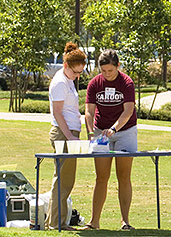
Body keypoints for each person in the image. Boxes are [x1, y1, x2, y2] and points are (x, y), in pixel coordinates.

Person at [84, 49, 137, 230]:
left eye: (110, 71)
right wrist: (91, 132)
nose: (107, 74)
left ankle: (125, 222)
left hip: (125, 131)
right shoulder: (94, 83)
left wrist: (114, 129)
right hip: (101, 133)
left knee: (124, 176)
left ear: (118, 66)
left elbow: (128, 110)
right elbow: (89, 111)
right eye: (103, 71)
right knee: (101, 177)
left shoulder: (127, 83)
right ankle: (94, 222)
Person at [46, 42, 87, 230]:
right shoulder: (60, 82)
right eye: (75, 72)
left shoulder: (68, 80)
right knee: (63, 179)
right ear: (65, 66)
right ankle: (57, 223)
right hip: (63, 134)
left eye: (80, 73)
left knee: (65, 178)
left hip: (69, 133)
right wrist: (70, 136)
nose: (77, 76)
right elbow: (57, 113)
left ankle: (56, 221)